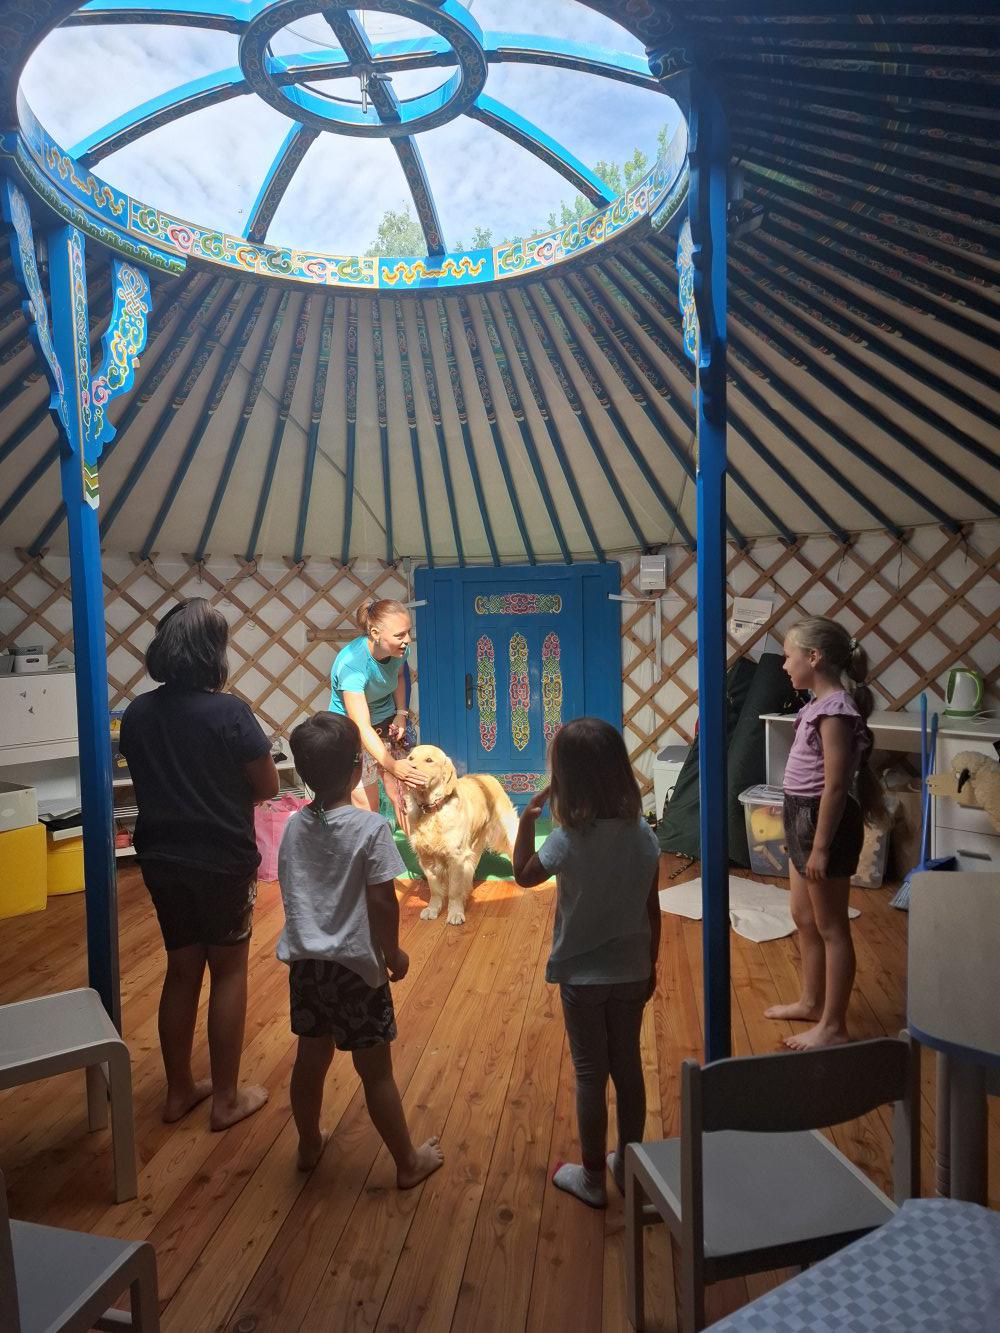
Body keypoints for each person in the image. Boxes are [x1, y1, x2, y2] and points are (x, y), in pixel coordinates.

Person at [119, 598, 278, 1129]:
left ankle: (178, 1091)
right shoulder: (230, 713)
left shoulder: (138, 713)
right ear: (213, 651)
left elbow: (151, 778)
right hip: (222, 859)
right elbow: (267, 785)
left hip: (161, 857)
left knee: (181, 969)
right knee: (228, 970)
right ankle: (226, 1100)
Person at [276, 710, 444, 1185]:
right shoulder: (370, 830)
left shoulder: (293, 826)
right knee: (376, 1073)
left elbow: (292, 887)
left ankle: (309, 1144)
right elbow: (383, 903)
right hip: (356, 970)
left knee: (310, 1060)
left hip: (308, 967)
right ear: (357, 768)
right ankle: (407, 1163)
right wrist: (393, 954)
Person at [512, 717, 660, 1208]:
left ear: (566, 779)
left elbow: (523, 877)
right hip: (632, 969)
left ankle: (593, 1178)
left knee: (591, 1073)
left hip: (581, 974)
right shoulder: (642, 834)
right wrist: (651, 964)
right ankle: (629, 1168)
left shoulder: (567, 839)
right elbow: (652, 907)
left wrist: (526, 822)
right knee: (629, 1068)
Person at [765, 617, 884, 1050]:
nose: (783, 665)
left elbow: (835, 786)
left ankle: (833, 1026)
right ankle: (812, 1001)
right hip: (802, 816)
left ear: (813, 657)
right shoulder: (816, 705)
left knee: (832, 926)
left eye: (788, 655)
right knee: (803, 916)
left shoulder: (837, 711)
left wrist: (819, 847)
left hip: (823, 822)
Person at [328, 599, 426, 824]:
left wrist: (401, 714)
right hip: (352, 733)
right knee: (368, 810)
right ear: (375, 633)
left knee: (404, 798)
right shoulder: (352, 665)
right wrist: (392, 765)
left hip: (387, 723)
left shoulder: (400, 651)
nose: (407, 640)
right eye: (400, 635)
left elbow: (399, 676)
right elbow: (361, 726)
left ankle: (412, 847)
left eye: (408, 632)